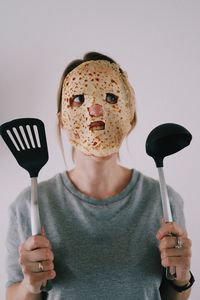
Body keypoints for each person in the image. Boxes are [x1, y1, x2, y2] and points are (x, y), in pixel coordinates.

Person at [6, 52, 194, 300]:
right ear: (62, 120)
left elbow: (172, 297)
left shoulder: (164, 201)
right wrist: (30, 286)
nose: (95, 109)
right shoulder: (28, 205)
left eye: (110, 97)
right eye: (78, 99)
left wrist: (181, 277)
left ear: (130, 116)